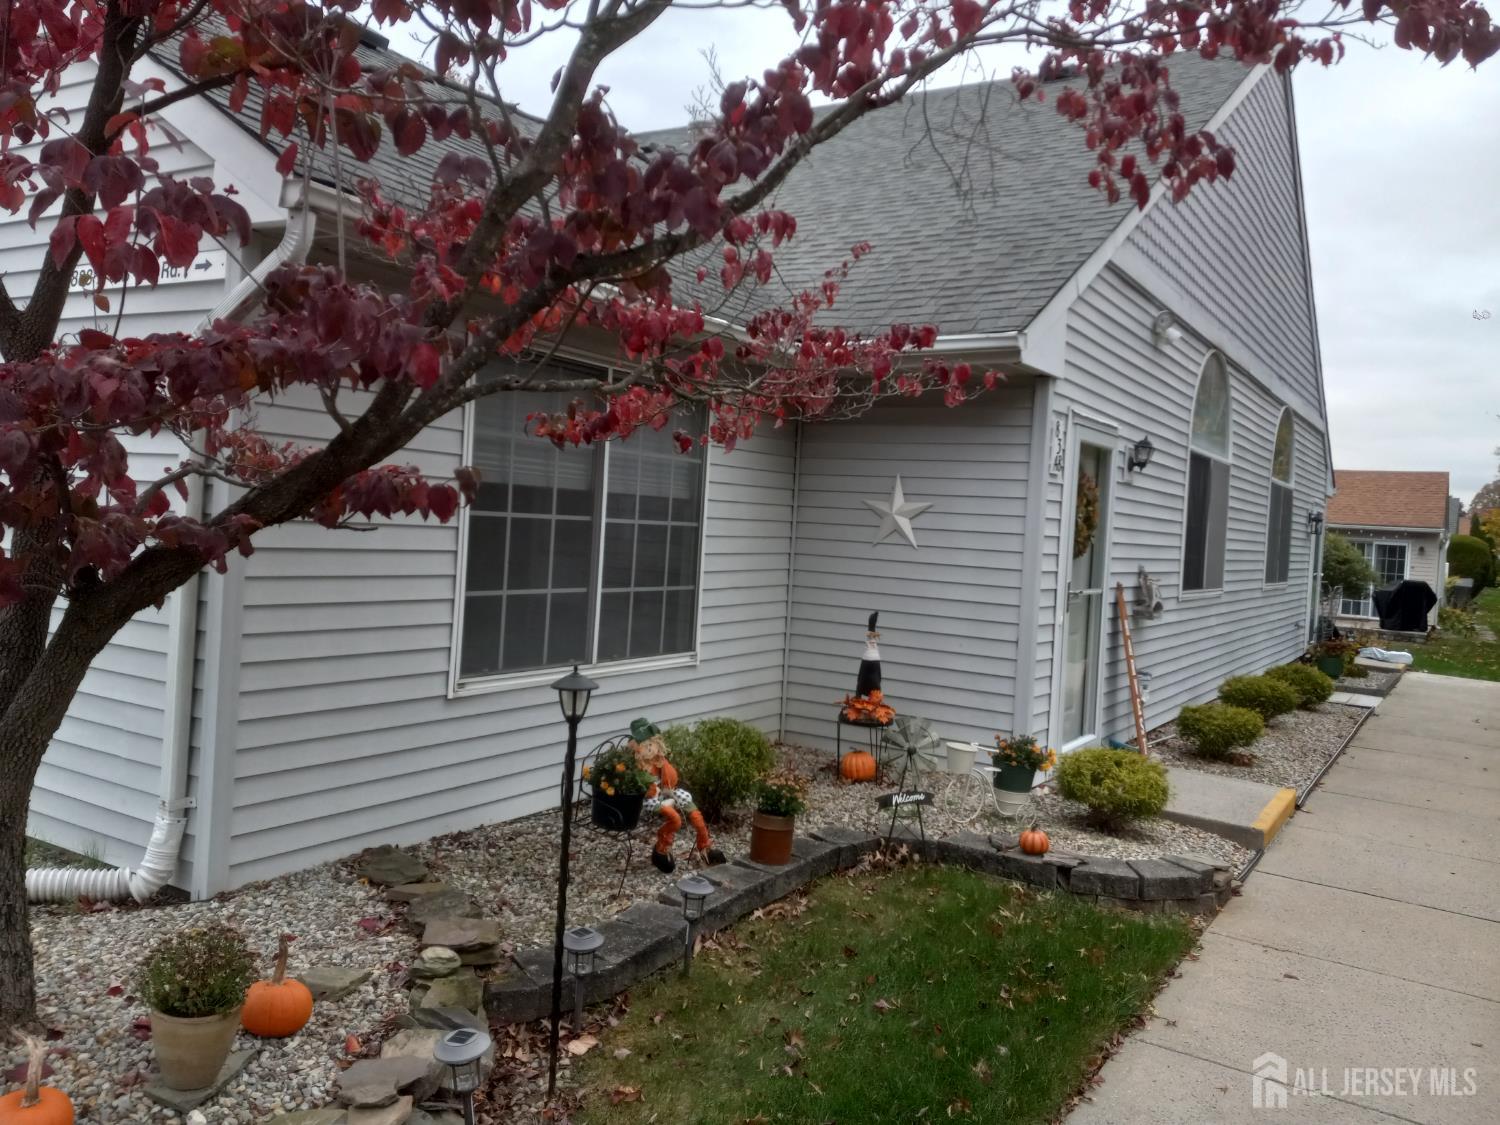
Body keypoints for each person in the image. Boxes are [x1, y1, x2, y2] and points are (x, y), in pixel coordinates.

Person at [630, 718, 726, 873]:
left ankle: (705, 847)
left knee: (694, 812)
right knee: (675, 819)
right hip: (649, 799)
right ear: (637, 748)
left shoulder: (659, 762)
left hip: (666, 792)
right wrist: (661, 796)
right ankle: (661, 849)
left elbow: (672, 780)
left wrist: (667, 784)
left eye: (651, 745)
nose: (649, 749)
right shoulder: (638, 766)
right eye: (645, 746)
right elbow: (643, 790)